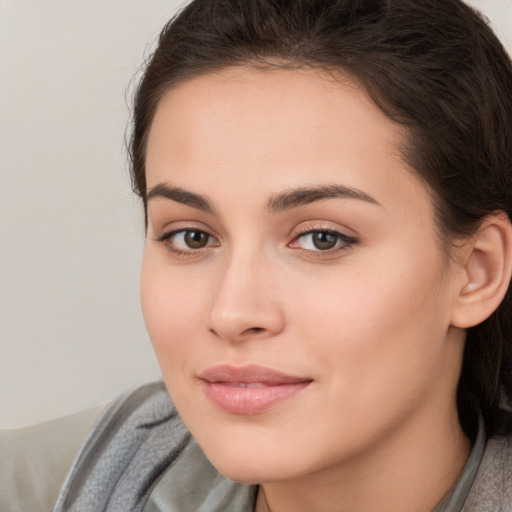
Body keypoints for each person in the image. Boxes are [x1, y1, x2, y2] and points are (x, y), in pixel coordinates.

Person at [2, 0, 512, 510]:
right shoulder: (58, 488)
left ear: (477, 271)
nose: (231, 313)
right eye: (192, 237)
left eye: (321, 239)